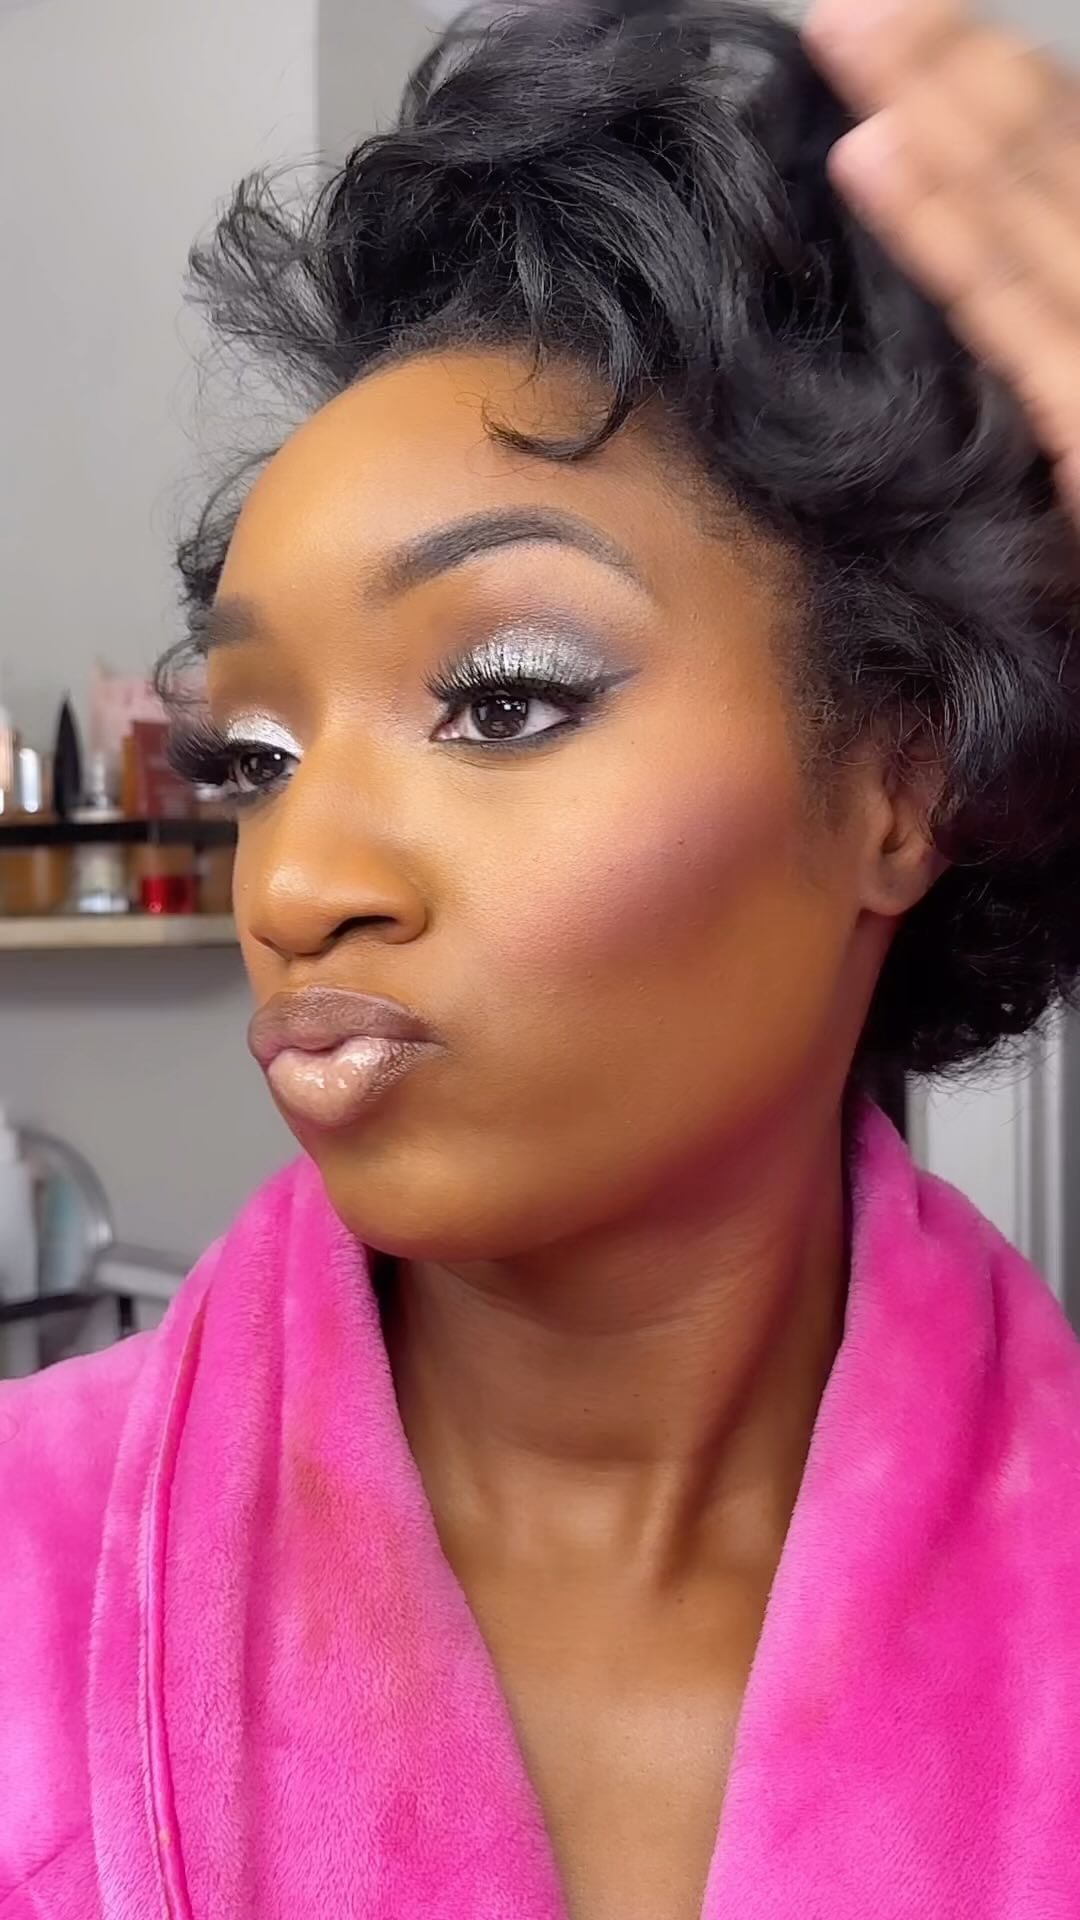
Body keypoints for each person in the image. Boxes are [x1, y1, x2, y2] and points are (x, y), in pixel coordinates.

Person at [2, 2, 1080, 1916]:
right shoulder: (29, 1566)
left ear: (896, 790)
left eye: (501, 699)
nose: (294, 884)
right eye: (253, 759)